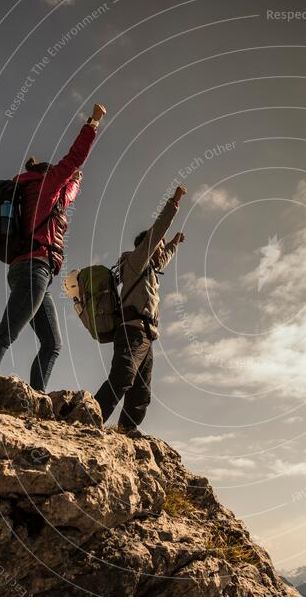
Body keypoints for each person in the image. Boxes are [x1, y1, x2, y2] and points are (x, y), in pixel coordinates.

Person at [0, 104, 107, 391]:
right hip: (32, 270)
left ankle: (36, 400)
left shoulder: (35, 192)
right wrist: (93, 124)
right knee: (7, 333)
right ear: (51, 175)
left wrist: (76, 182)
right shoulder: (46, 187)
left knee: (52, 343)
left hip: (35, 273)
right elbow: (74, 159)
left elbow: (67, 195)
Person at [95, 185, 187, 434]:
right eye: (159, 246)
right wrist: (174, 202)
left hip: (147, 335)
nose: (161, 250)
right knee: (123, 377)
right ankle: (90, 417)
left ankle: (126, 427)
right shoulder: (136, 262)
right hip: (132, 331)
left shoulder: (150, 270)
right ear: (147, 247)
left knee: (142, 389)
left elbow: (164, 255)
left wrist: (175, 243)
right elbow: (158, 231)